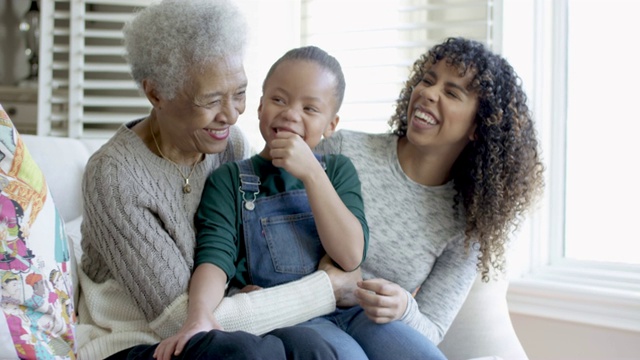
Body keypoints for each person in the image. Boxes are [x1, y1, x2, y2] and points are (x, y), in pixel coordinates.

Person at [77, 1, 339, 359]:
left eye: (240, 93)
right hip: (136, 343)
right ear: (156, 94)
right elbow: (182, 323)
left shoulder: (229, 146)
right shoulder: (114, 176)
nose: (231, 115)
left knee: (314, 348)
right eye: (211, 100)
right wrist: (329, 289)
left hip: (221, 330)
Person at [312, 36, 544, 352]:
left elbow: (432, 328)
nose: (428, 93)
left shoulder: (466, 227)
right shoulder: (343, 150)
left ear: (479, 126)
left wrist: (404, 307)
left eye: (451, 92)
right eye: (427, 80)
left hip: (371, 324)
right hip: (309, 310)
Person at [155, 45, 371, 360]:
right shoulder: (230, 180)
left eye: (310, 109)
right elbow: (214, 260)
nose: (290, 113)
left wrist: (312, 174)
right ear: (260, 107)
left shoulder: (337, 171)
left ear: (331, 125)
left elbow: (351, 256)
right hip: (291, 323)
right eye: (279, 100)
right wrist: (198, 315)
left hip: (352, 312)